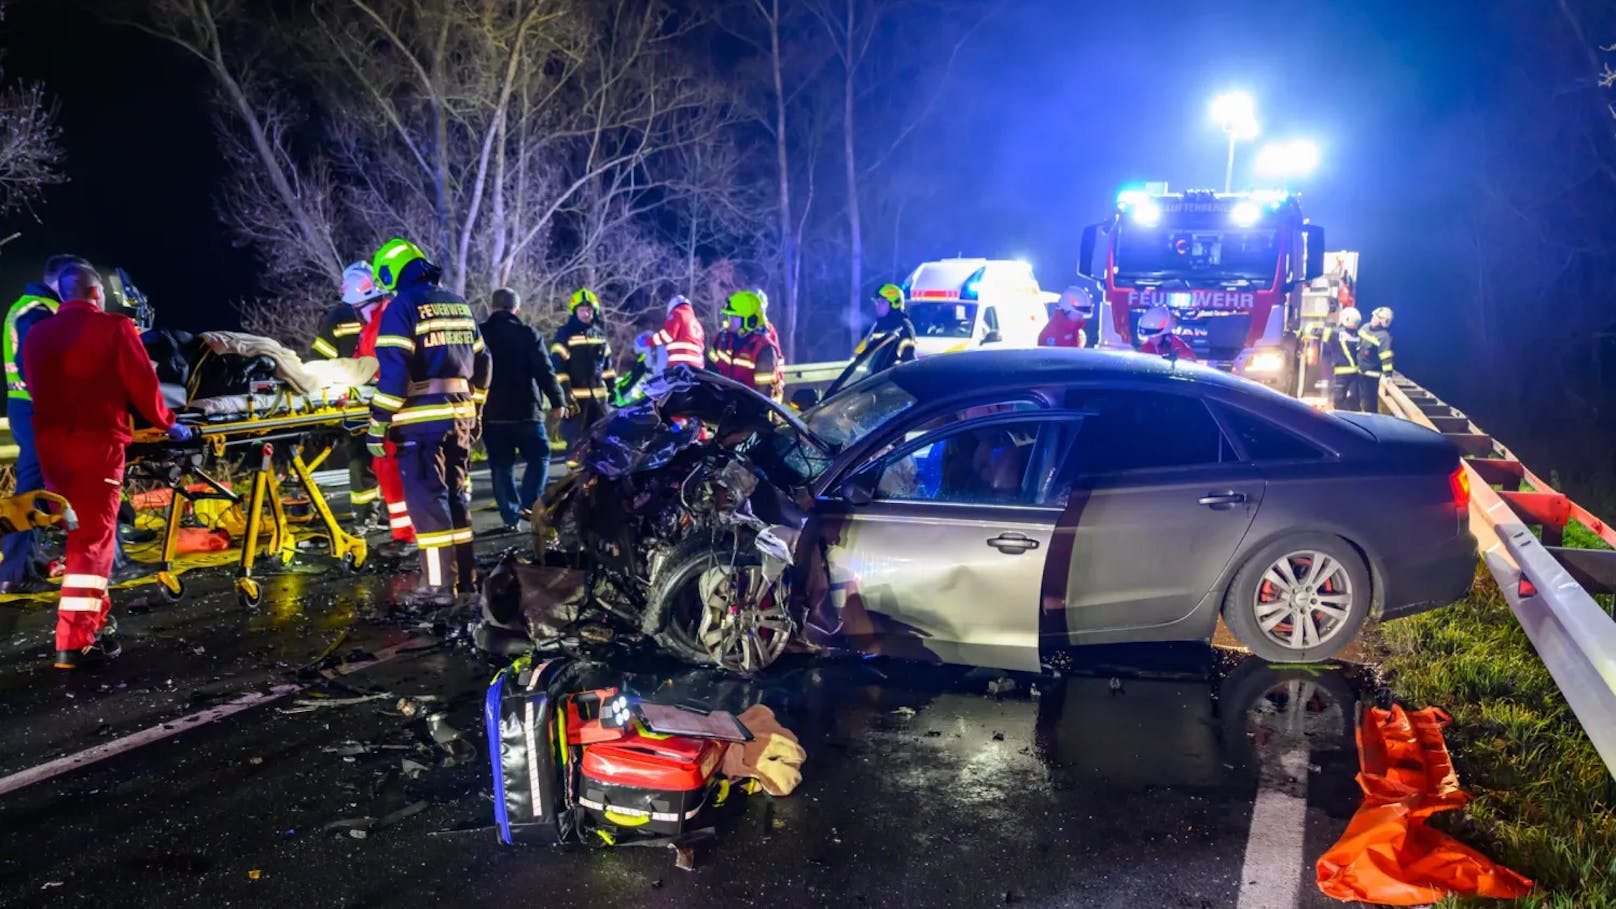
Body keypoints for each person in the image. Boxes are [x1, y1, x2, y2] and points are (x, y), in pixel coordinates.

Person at [23, 264, 193, 668]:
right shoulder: (114, 327)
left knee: (79, 538)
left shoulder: (36, 334)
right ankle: (75, 640)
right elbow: (144, 388)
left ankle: (93, 622)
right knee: (92, 543)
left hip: (51, 449)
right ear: (96, 293)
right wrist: (170, 425)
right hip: (96, 446)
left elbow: (35, 386)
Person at [365, 238, 491, 608]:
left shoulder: (401, 307)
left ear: (392, 273)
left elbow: (395, 376)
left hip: (421, 427)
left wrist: (378, 423)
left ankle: (437, 589)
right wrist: (477, 409)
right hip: (460, 418)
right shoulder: (458, 303)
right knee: (456, 501)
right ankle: (465, 581)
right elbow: (484, 363)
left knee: (427, 505)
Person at [0, 254, 89, 595]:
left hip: (26, 408)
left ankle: (27, 561)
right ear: (60, 281)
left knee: (37, 488)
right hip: (36, 410)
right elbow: (37, 365)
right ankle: (16, 570)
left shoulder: (27, 306)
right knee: (32, 488)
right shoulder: (39, 311)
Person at [480, 288, 567, 532]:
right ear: (516, 310)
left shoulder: (479, 333)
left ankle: (510, 518)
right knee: (540, 456)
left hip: (492, 414)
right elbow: (544, 370)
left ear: (492, 307)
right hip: (526, 412)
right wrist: (558, 402)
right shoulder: (528, 334)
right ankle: (530, 503)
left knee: (501, 465)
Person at [351, 265, 416, 557]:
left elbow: (389, 368)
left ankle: (408, 536)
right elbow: (361, 361)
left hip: (397, 410)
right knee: (386, 468)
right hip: (391, 407)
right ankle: (405, 533)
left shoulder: (385, 320)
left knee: (394, 469)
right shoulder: (374, 322)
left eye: (355, 307)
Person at [317, 263, 386, 529]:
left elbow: (320, 357)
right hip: (359, 397)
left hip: (375, 397)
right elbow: (321, 358)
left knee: (373, 458)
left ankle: (379, 515)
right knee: (362, 458)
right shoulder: (342, 316)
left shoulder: (384, 313)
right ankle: (369, 515)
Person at [551, 289, 615, 461]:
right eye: (582, 310)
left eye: (589, 310)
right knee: (576, 444)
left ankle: (598, 480)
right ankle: (573, 482)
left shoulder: (600, 335)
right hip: (576, 401)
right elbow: (558, 367)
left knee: (601, 441)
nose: (586, 313)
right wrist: (565, 394)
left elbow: (607, 367)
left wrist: (613, 389)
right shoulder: (565, 334)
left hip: (599, 401)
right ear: (574, 311)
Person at [708, 289, 784, 400]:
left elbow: (763, 394)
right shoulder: (722, 338)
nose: (729, 321)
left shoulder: (764, 348)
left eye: (734, 317)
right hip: (724, 406)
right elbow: (710, 368)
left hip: (751, 409)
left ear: (749, 320)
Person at [637, 293, 705, 377]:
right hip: (697, 366)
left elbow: (668, 335)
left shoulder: (677, 313)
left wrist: (648, 341)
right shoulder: (697, 322)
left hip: (681, 363)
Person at [853, 283, 917, 367]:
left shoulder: (904, 327)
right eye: (877, 302)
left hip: (889, 378)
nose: (878, 306)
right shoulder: (875, 327)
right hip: (871, 377)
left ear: (895, 303)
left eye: (882, 302)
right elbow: (859, 355)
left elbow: (908, 362)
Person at [1319, 306, 1362, 412]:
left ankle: (1340, 421)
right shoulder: (1359, 335)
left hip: (1341, 374)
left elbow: (1317, 332)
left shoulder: (1335, 333)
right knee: (1354, 401)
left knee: (1338, 400)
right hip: (1355, 374)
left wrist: (1303, 331)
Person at [1355, 306, 1395, 413]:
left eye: (1377, 317)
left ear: (1384, 322)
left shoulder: (1384, 337)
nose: (1374, 318)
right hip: (1358, 372)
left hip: (1371, 377)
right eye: (1374, 316)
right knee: (1356, 401)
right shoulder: (1365, 327)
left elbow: (1386, 357)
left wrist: (1388, 375)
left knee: (1369, 405)